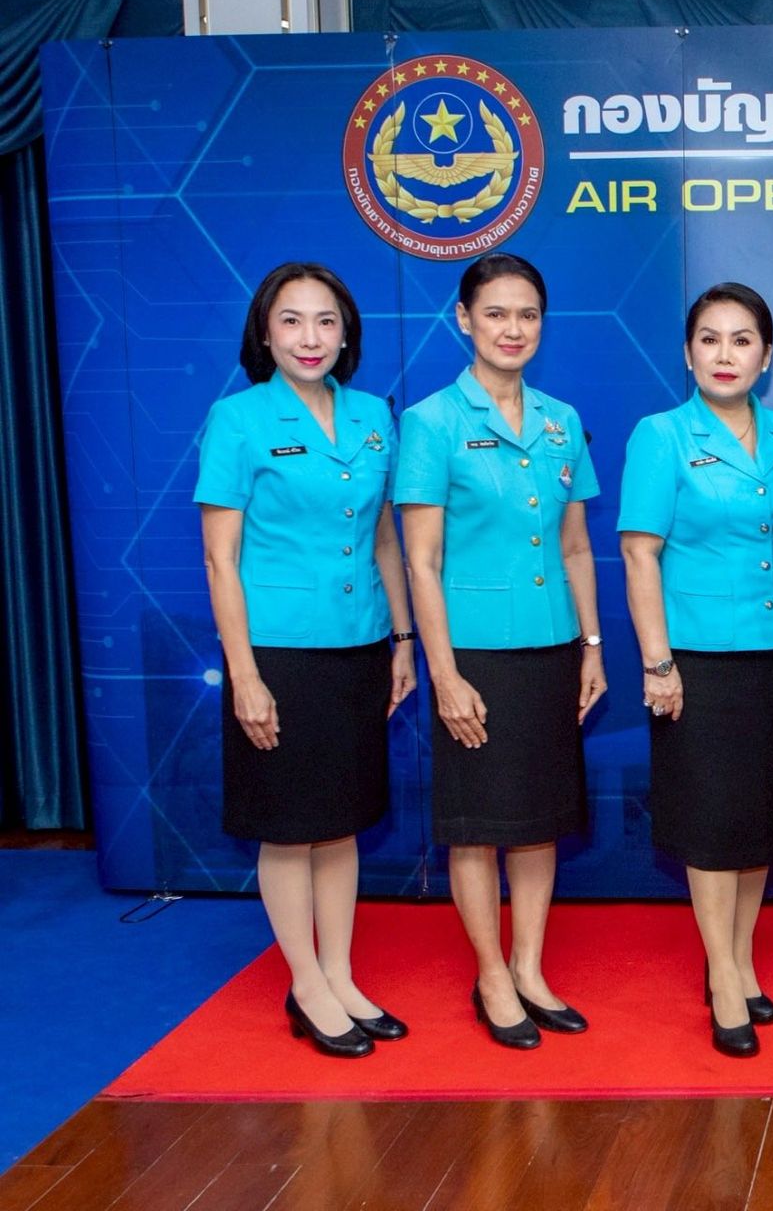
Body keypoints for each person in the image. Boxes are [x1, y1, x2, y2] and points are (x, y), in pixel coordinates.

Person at [196, 262, 416, 1058]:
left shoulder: (373, 416)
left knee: (341, 820)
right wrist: (245, 676)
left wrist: (402, 640)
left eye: (326, 320)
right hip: (279, 651)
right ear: (265, 333)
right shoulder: (238, 419)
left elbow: (385, 536)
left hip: (360, 644)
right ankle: (306, 985)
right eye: (291, 321)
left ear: (347, 331)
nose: (310, 337)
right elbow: (220, 560)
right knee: (290, 827)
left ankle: (340, 974)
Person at [394, 253, 608, 1051]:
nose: (512, 329)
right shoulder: (431, 422)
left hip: (551, 647)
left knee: (539, 822)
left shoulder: (561, 419)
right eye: (495, 314)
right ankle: (490, 976)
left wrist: (591, 647)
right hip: (474, 656)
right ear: (464, 319)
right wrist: (443, 674)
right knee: (478, 827)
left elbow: (576, 547)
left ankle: (529, 968)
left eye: (527, 315)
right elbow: (420, 561)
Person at [618, 283, 773, 1059]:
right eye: (709, 339)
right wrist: (658, 663)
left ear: (767, 356)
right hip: (697, 659)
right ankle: (724, 978)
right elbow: (640, 554)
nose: (725, 354)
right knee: (711, 821)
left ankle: (738, 957)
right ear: (687, 353)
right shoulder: (661, 435)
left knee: (758, 820)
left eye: (741, 340)